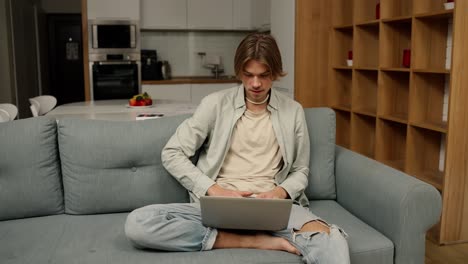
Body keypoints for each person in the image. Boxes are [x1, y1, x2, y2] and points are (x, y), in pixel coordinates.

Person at [124, 33, 350, 264]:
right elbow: (172, 153)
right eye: (248, 75)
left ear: (275, 73)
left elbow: (301, 170)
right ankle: (246, 240)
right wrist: (214, 189)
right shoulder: (215, 104)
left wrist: (278, 194)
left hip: (272, 209)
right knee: (139, 222)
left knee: (332, 240)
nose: (255, 84)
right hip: (219, 207)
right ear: (238, 72)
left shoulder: (293, 111)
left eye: (264, 75)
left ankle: (258, 233)